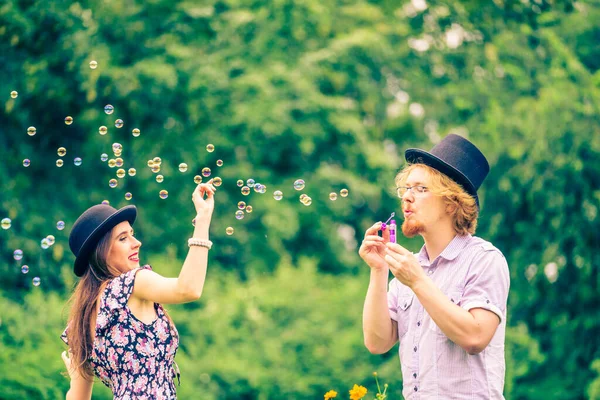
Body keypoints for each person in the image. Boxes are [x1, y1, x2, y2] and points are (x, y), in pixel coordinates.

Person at [359, 134, 510, 399]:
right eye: (406, 188)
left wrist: (417, 282)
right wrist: (379, 270)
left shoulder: (484, 259)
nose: (407, 197)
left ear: (452, 202)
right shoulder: (410, 268)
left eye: (421, 189)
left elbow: (475, 337)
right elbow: (377, 342)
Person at [60, 180, 216, 400]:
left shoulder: (80, 321)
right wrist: (202, 219)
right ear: (101, 251)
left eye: (132, 234)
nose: (137, 242)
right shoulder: (133, 283)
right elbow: (189, 289)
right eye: (123, 238)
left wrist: (74, 377)